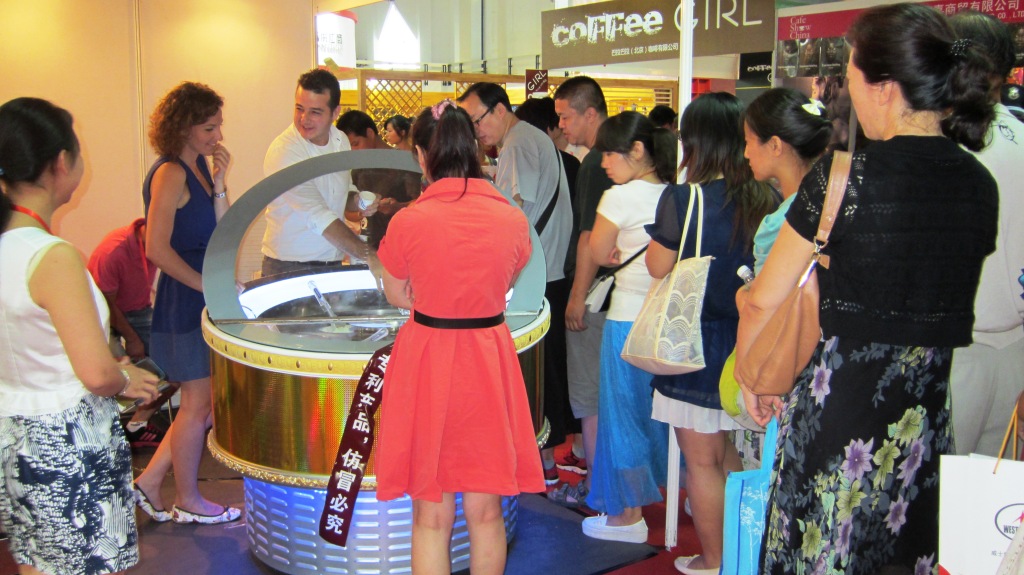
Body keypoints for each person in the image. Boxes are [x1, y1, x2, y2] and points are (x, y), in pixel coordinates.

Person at [736, 4, 998, 572]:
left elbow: (765, 296)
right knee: (902, 557)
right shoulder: (980, 184)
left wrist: (753, 375)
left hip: (840, 416)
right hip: (923, 420)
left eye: (851, 78)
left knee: (820, 551)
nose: (848, 94)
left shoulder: (841, 178)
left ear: (883, 87)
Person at [374, 100, 544, 575]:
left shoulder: (408, 220)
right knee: (486, 510)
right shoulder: (511, 219)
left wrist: (425, 292)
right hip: (487, 360)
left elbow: (396, 292)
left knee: (431, 514)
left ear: (422, 156)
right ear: (473, 149)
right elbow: (507, 280)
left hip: (428, 357)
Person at [0, 97, 159, 575]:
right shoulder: (51, 256)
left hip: (15, 431)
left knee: (36, 561)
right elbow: (95, 373)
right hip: (65, 441)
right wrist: (124, 378)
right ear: (61, 163)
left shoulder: (10, 246)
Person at [645, 93, 777, 574]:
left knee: (701, 463)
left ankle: (716, 560)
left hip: (694, 345)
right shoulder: (769, 198)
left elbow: (657, 265)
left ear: (695, 142)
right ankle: (743, 555)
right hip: (751, 342)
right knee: (728, 455)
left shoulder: (685, 199)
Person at [132, 81, 241, 525]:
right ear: (184, 126)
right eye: (209, 128)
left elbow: (223, 228)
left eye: (218, 127)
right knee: (198, 405)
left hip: (201, 291)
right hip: (185, 296)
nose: (217, 137)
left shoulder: (197, 168)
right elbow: (156, 248)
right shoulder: (170, 172)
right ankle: (189, 498)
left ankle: (151, 482)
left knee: (202, 404)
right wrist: (203, 286)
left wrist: (219, 183)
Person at [457, 82, 573, 484]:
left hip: (534, 278)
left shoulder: (518, 144)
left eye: (477, 121)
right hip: (550, 270)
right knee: (547, 373)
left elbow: (511, 214)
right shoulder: (531, 138)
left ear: (500, 109)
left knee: (533, 375)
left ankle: (538, 467)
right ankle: (545, 465)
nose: (477, 131)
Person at [580, 111, 677, 543]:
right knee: (664, 416)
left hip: (624, 320)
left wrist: (614, 249)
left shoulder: (618, 198)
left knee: (622, 416)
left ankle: (627, 515)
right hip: (666, 321)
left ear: (637, 151)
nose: (604, 163)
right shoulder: (677, 193)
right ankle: (668, 495)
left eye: (610, 153)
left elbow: (599, 250)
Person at [948, 10, 1024, 458]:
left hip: (955, 353)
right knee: (996, 507)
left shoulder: (942, 143)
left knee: (936, 508)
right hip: (1014, 349)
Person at [549, 76, 615, 504]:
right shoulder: (615, 158)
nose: (563, 127)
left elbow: (590, 237)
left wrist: (576, 295)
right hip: (618, 294)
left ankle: (597, 491)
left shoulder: (595, 165)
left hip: (594, 297)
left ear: (590, 114)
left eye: (566, 117)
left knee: (589, 397)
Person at [261, 68, 378, 277]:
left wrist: (359, 201)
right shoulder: (286, 150)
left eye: (315, 112)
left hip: (330, 263)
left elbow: (343, 191)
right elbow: (318, 215)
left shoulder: (340, 140)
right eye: (299, 108)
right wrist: (368, 255)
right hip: (288, 266)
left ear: (335, 113)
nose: (304, 119)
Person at [88, 218, 177, 448]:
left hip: (138, 310)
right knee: (110, 378)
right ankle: (105, 436)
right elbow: (107, 305)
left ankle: (136, 426)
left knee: (177, 373)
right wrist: (133, 339)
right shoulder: (114, 251)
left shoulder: (157, 244)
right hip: (102, 315)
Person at [743, 89, 833, 274]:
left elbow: (762, 302)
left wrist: (743, 295)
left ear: (775, 145)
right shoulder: (830, 202)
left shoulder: (780, 222)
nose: (746, 153)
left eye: (748, 141)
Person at [335, 110, 420, 249]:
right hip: (370, 248)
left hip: (402, 246)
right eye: (348, 147)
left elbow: (422, 204)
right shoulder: (358, 170)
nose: (353, 151)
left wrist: (397, 207)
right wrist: (361, 212)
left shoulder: (404, 162)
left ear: (369, 133)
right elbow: (348, 213)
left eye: (355, 143)